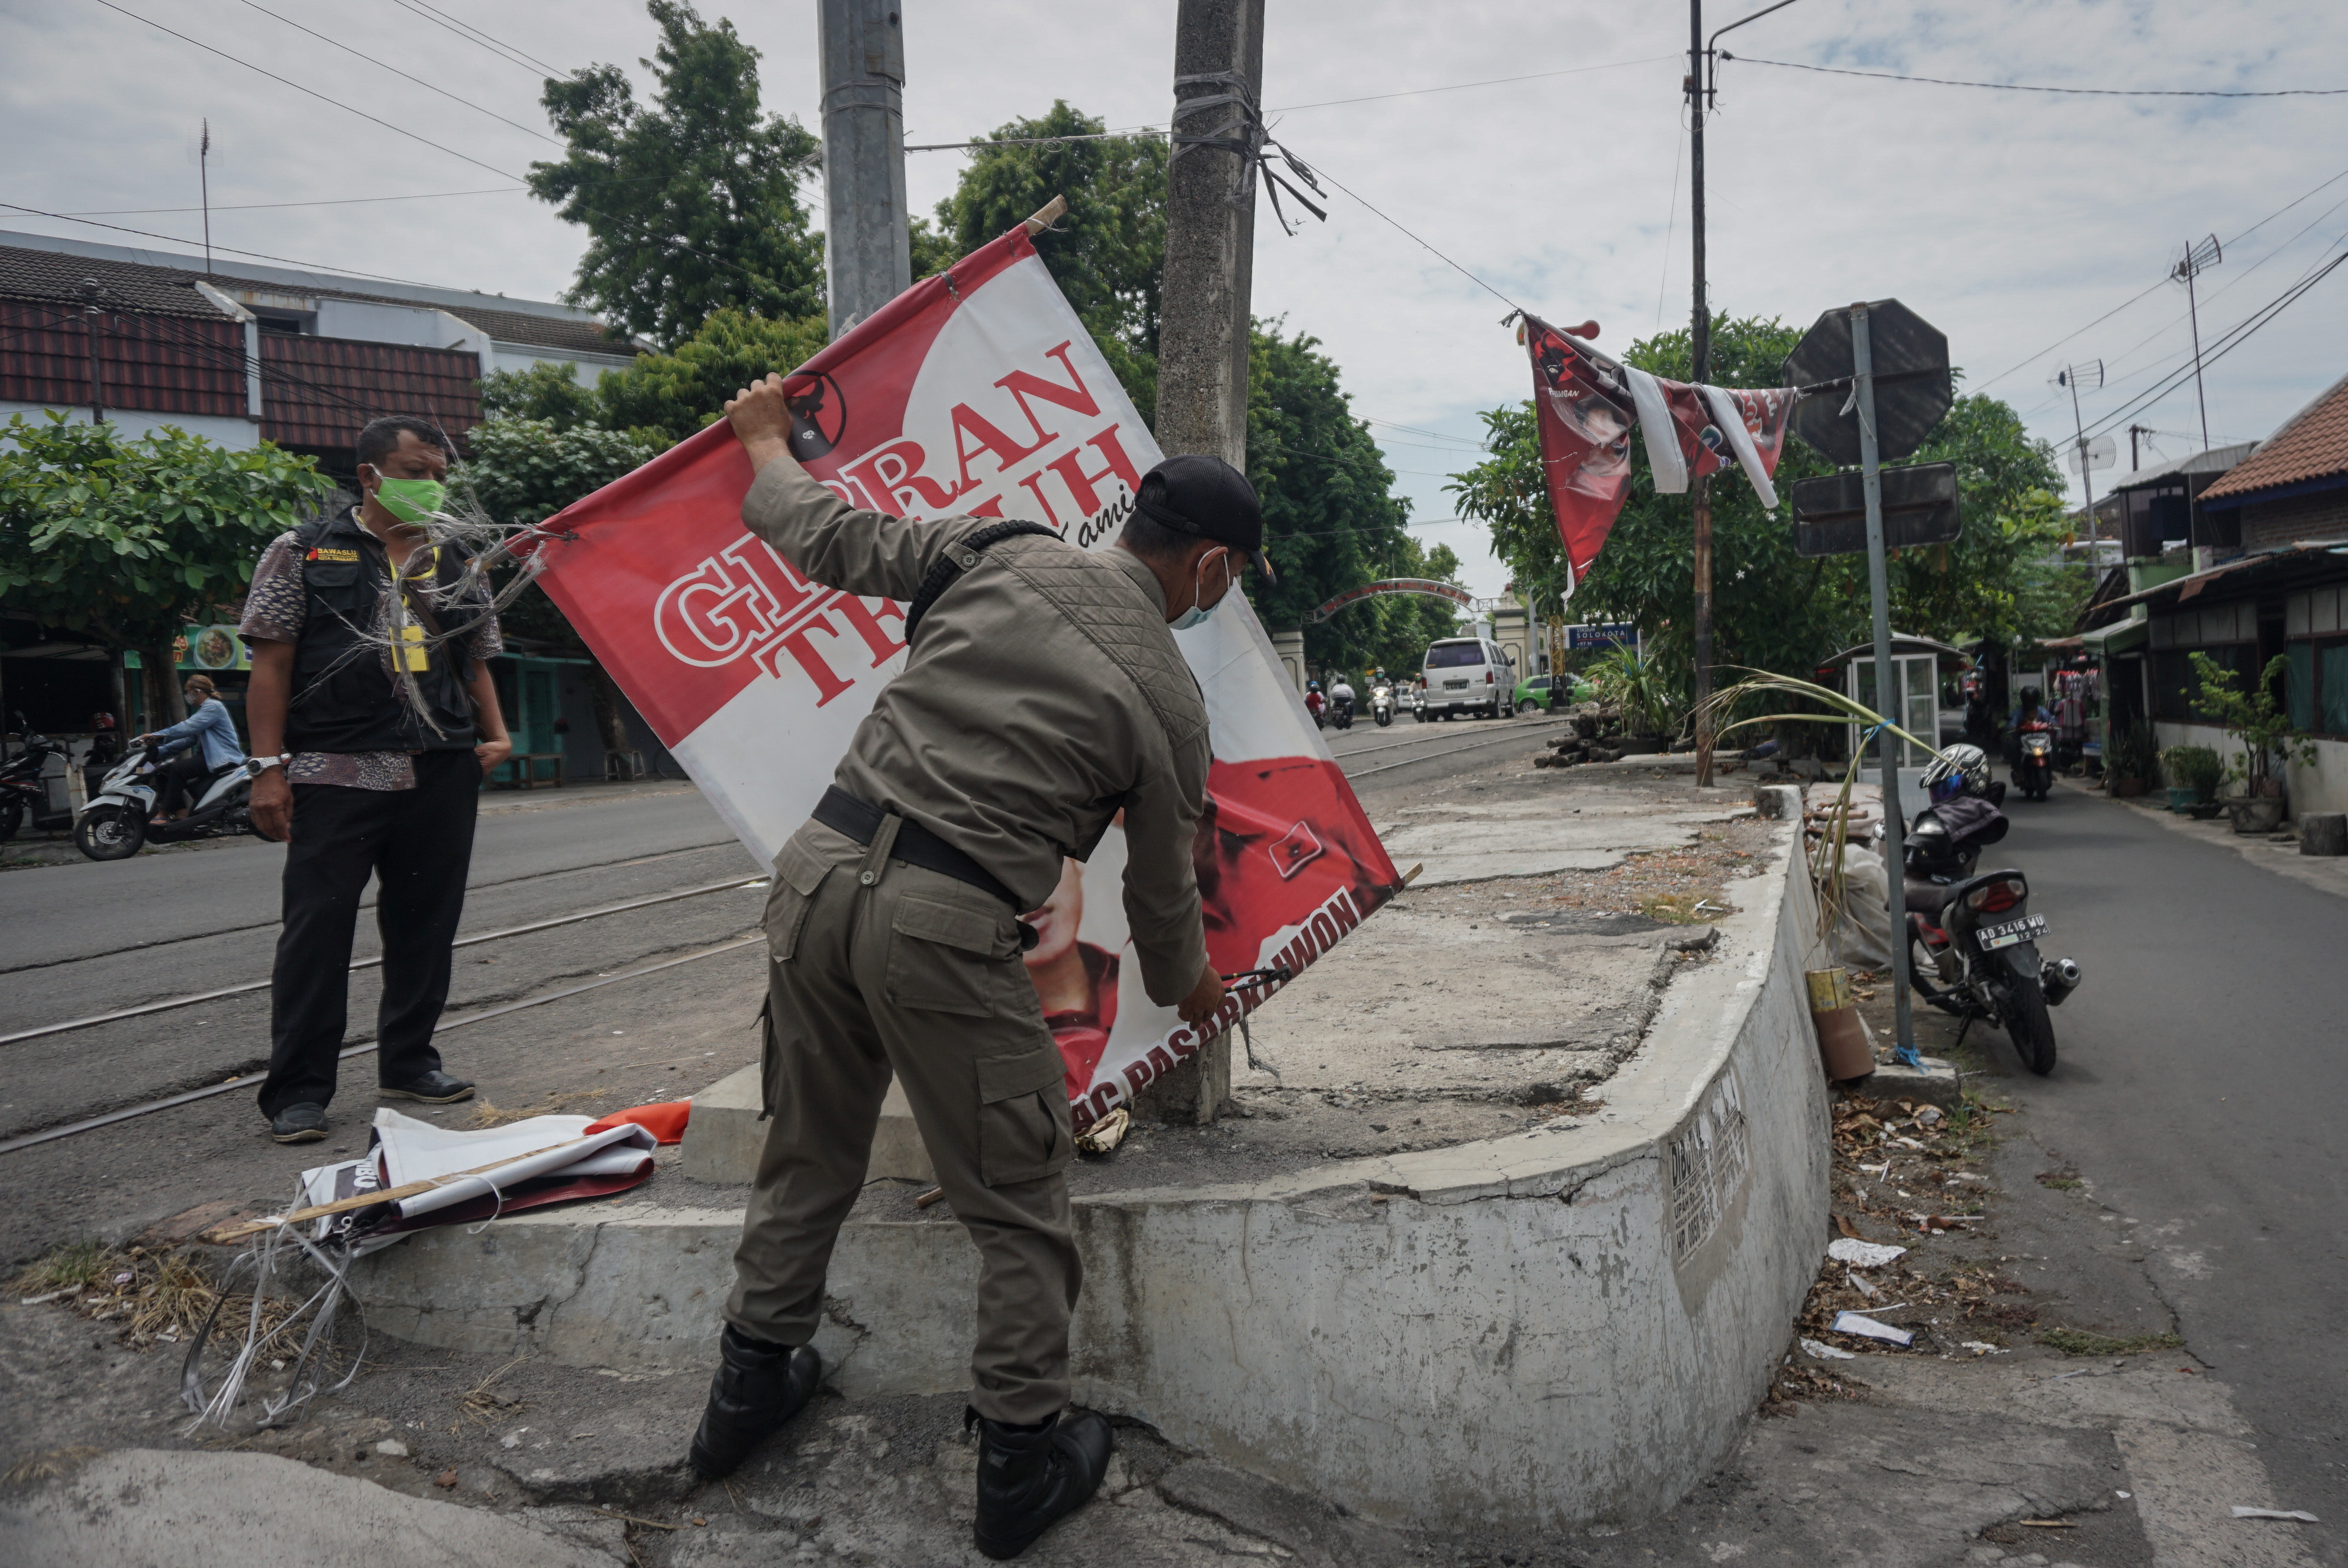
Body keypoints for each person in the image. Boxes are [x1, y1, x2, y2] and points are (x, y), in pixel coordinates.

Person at [697, 373, 1266, 1560]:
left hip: (815, 873)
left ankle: (746, 1389)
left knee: (807, 1144)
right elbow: (1164, 923)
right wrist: (1210, 998)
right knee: (1017, 1201)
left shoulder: (997, 548)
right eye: (1234, 576)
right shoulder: (1168, 701)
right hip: (943, 926)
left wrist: (761, 436)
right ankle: (1018, 1461)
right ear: (1209, 565)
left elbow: (825, 533)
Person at [237, 415, 512, 1146]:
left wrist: (497, 732)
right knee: (317, 929)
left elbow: (477, 657)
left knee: (426, 921)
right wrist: (267, 769)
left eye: (440, 475)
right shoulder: (300, 552)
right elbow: (270, 663)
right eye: (418, 471)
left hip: (442, 765)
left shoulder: (454, 559)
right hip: (338, 767)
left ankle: (409, 1060)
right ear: (370, 475)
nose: (433, 486)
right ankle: (298, 1091)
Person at [134, 674, 241, 822]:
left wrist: (157, 735)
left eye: (187, 691)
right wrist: (160, 751)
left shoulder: (213, 707)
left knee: (177, 769)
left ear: (197, 692)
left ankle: (164, 813)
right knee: (162, 770)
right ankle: (181, 812)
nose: (187, 696)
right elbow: (188, 740)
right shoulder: (205, 710)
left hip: (222, 758)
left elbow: (188, 727)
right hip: (208, 758)